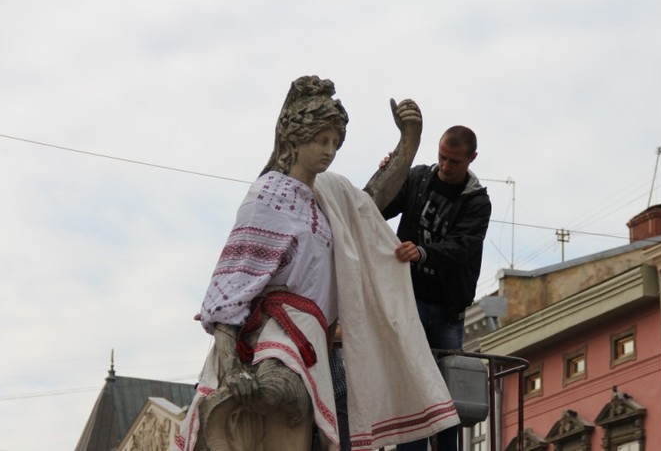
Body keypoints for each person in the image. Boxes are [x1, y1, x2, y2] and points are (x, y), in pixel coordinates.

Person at [176, 75, 462, 451]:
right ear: (295, 140)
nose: (329, 151)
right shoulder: (268, 194)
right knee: (282, 393)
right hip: (274, 335)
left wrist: (408, 143)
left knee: (320, 420)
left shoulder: (329, 196)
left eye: (334, 143)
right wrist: (231, 371)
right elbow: (233, 284)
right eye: (320, 141)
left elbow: (371, 200)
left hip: (317, 341)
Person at [382, 126, 492, 451]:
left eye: (454, 161)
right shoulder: (417, 179)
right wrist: (387, 174)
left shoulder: (477, 203)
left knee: (445, 394)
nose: (445, 166)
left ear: (471, 159)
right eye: (442, 157)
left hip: (447, 310)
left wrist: (423, 252)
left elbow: (462, 247)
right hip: (411, 299)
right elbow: (378, 206)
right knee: (413, 383)